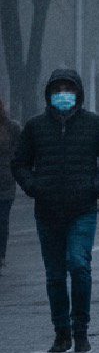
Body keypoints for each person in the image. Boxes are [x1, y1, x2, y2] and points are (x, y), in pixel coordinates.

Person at [10, 69, 99, 353]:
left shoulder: (95, 125)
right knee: (55, 275)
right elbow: (19, 163)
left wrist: (94, 186)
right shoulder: (35, 127)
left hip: (82, 209)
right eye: (57, 88)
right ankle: (61, 332)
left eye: (68, 88)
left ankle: (80, 329)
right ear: (49, 93)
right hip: (47, 211)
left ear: (78, 92)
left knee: (78, 264)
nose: (62, 93)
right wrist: (33, 186)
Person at [0, 98, 18, 270]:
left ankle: (1, 255)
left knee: (2, 220)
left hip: (5, 183)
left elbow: (21, 152)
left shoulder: (12, 128)